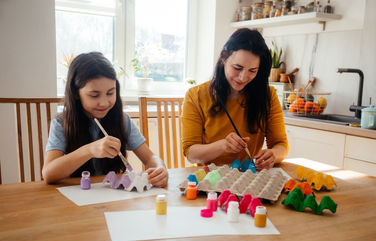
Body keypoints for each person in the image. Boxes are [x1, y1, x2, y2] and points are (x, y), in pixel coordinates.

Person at [42, 52, 168, 186]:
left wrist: (160, 168)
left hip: (111, 199)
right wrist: (89, 150)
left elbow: (150, 158)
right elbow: (49, 174)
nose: (104, 103)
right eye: (94, 95)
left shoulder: (122, 120)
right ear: (75, 93)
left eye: (110, 93)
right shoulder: (61, 123)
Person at [181, 28, 288, 170]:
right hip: (210, 180)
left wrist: (273, 154)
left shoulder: (268, 96)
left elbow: (281, 145)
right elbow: (191, 153)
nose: (243, 77)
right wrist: (223, 145)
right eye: (237, 68)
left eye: (252, 71)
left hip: (251, 177)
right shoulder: (196, 96)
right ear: (224, 58)